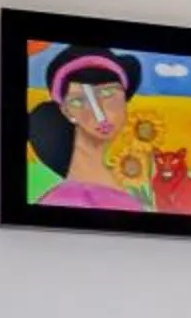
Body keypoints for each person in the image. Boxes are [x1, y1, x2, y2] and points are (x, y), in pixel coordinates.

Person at [26, 45, 148, 210]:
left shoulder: (120, 192)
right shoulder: (70, 201)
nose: (99, 114)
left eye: (107, 94)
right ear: (66, 112)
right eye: (79, 101)